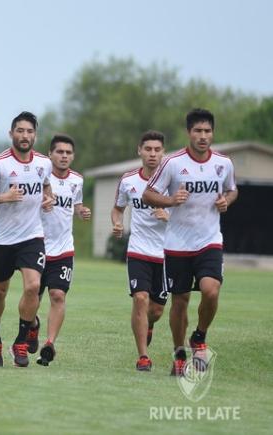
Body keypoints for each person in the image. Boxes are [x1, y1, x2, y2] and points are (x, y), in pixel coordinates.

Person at [143, 108, 237, 376]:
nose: (203, 136)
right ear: (189, 133)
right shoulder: (172, 163)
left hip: (209, 241)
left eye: (207, 131)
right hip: (177, 244)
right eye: (198, 131)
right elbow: (149, 194)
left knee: (211, 290)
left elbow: (232, 189)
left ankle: (200, 336)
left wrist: (226, 201)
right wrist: (171, 200)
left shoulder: (223, 163)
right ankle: (179, 353)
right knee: (180, 301)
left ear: (213, 133)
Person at [0, 111, 54, 367]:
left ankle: (19, 341)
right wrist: (2, 198)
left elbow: (46, 186)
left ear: (35, 135)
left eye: (29, 131)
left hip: (32, 237)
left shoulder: (43, 163)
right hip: (3, 240)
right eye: (20, 131)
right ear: (11, 134)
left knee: (32, 287)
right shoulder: (0, 164)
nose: (25, 136)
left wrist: (48, 198)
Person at [111, 130, 169, 371]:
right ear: (140, 151)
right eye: (148, 149)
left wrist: (168, 215)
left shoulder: (173, 180)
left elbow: (188, 214)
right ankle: (143, 356)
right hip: (138, 250)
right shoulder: (128, 181)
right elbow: (118, 208)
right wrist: (117, 223)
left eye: (157, 150)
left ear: (163, 152)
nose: (152, 154)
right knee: (140, 299)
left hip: (167, 254)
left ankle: (150, 325)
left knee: (155, 310)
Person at [35, 134, 91, 366]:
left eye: (68, 153)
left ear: (73, 156)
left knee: (58, 295)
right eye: (59, 152)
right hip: (36, 245)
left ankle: (48, 344)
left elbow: (75, 204)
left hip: (64, 248)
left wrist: (81, 211)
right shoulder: (39, 176)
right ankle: (31, 326)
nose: (64, 156)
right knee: (32, 297)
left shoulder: (77, 180)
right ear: (50, 154)